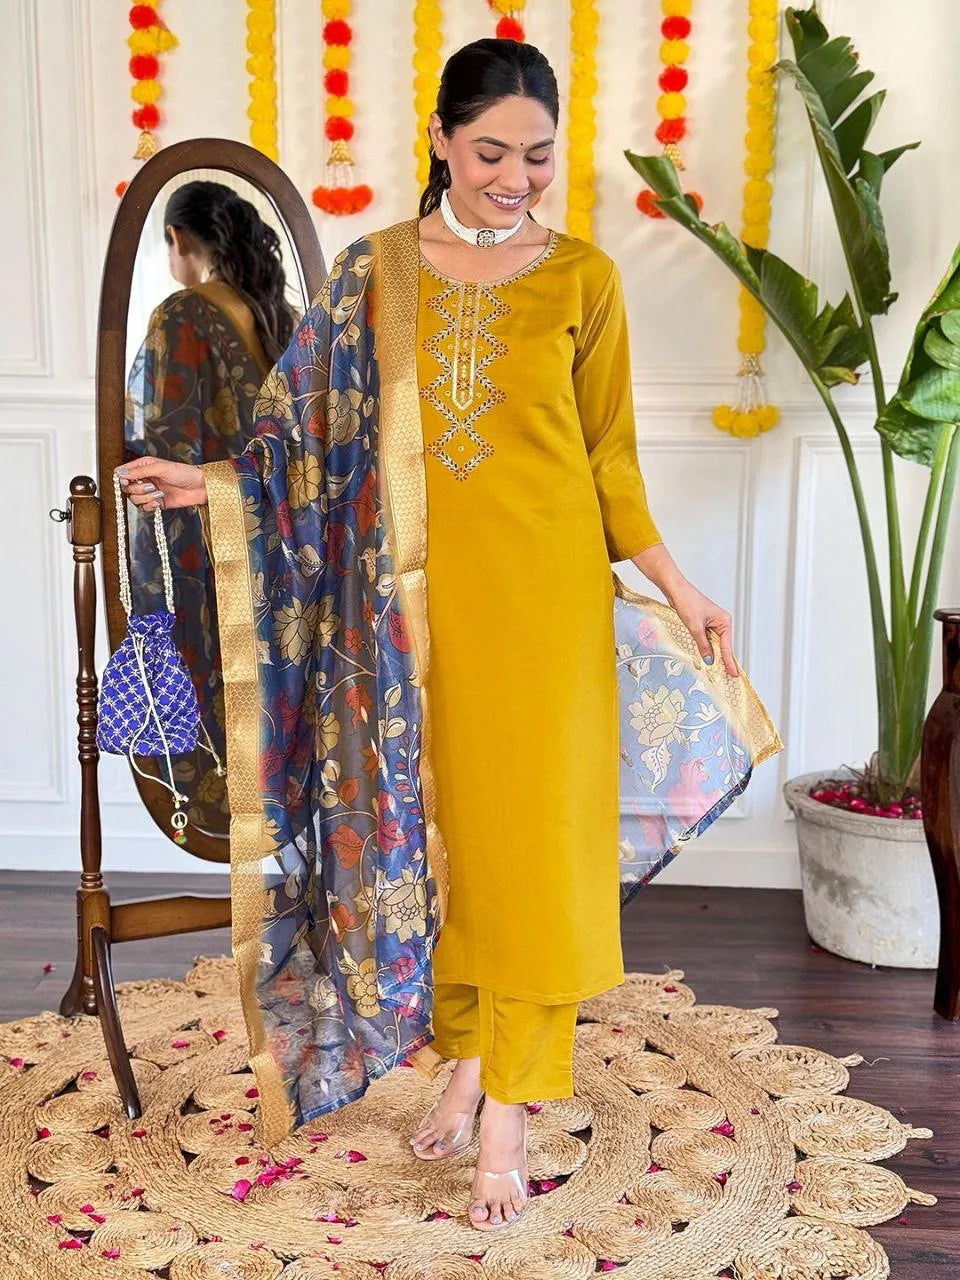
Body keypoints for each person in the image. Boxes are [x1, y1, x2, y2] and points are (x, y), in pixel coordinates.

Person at [117, 41, 780, 1232]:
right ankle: (468, 1056)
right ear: (438, 140)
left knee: (533, 863)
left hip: (550, 611)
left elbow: (610, 461)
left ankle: (507, 1119)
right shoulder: (372, 273)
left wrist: (680, 587)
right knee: (447, 849)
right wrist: (208, 484)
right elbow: (297, 438)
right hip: (407, 625)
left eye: (538, 155)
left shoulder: (583, 279)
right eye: (490, 153)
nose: (515, 177)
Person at [124, 180, 299, 837]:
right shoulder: (276, 316)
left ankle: (221, 838)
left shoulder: (182, 314)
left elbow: (160, 438)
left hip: (202, 546)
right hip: (276, 540)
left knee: (206, 702)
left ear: (178, 239)